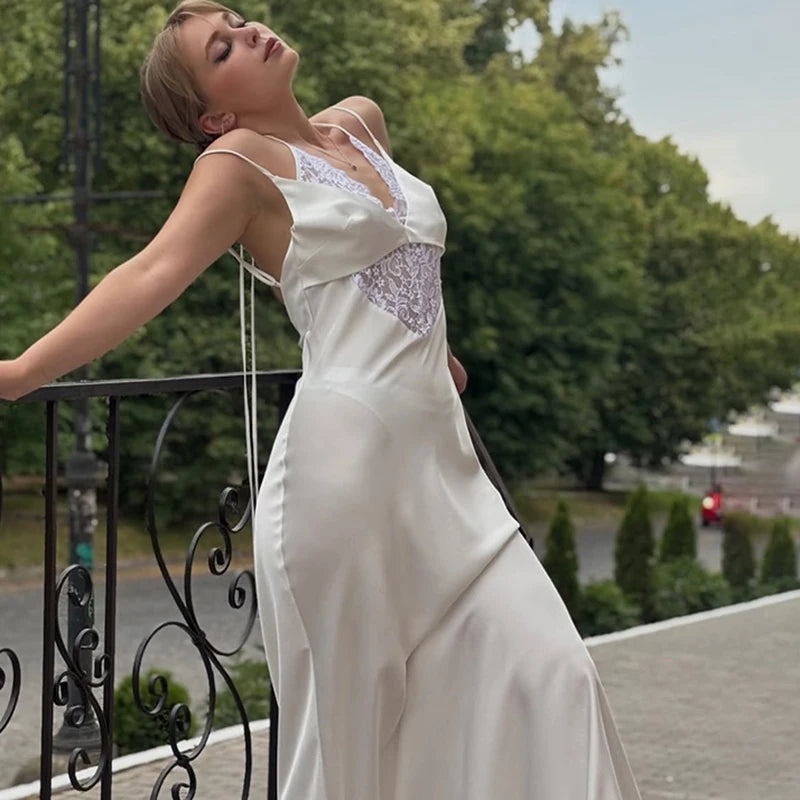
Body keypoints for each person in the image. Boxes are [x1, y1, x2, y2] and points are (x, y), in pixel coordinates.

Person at [0, 2, 642, 797]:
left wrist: (433, 349)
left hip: (447, 476)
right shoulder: (236, 164)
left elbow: (388, 253)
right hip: (343, 482)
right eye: (223, 47)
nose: (253, 31)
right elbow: (148, 275)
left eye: (238, 18)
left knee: (555, 672)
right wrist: (21, 372)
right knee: (350, 750)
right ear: (214, 111)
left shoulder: (362, 123)